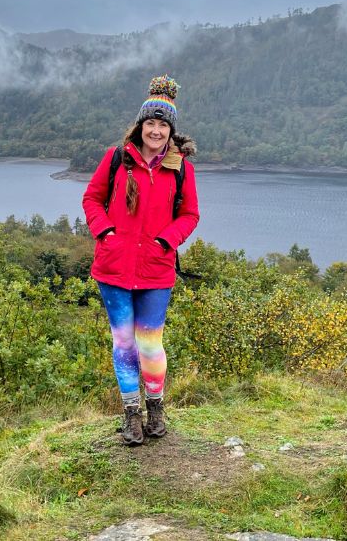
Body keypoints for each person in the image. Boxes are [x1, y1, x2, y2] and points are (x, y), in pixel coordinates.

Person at [82, 75, 200, 445]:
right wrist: (106, 233)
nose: (156, 130)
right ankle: (131, 414)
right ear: (140, 125)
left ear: (171, 130)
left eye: (163, 124)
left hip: (156, 270)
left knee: (150, 344)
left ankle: (155, 407)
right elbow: (91, 199)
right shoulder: (117, 159)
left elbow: (190, 215)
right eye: (150, 122)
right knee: (124, 344)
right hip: (114, 269)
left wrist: (167, 240)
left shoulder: (181, 169)